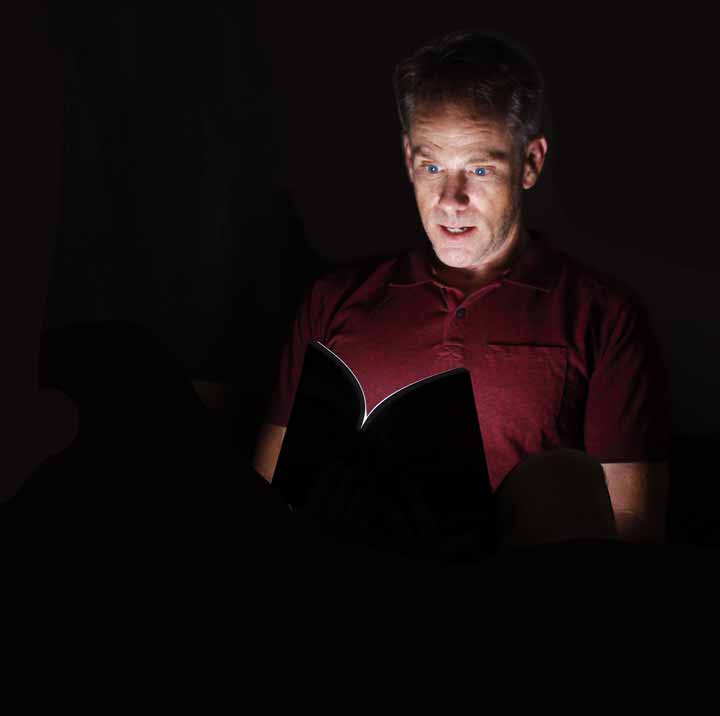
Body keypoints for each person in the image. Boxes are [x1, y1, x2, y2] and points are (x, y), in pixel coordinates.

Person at [252, 29, 671, 549]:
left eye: (479, 168)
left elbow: (634, 531)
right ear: (408, 160)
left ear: (531, 163)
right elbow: (268, 502)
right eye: (432, 167)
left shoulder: (603, 315)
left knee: (558, 480)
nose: (452, 199)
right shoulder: (332, 301)